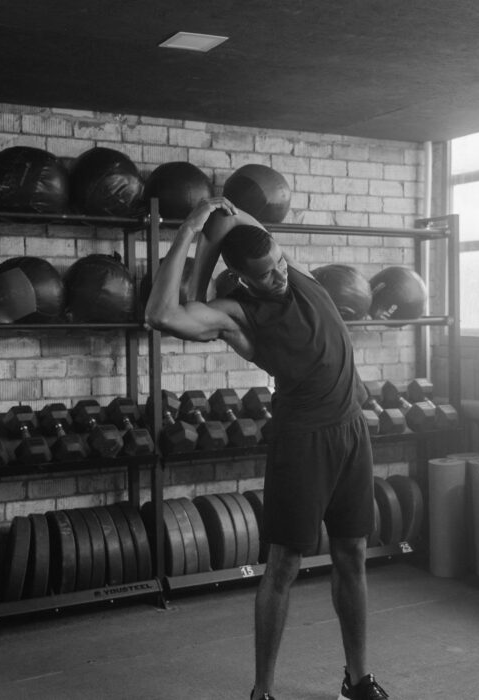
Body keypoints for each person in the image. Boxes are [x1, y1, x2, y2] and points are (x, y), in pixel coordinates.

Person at [145, 196, 389, 700]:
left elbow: (231, 218)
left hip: (351, 431)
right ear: (241, 277)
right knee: (284, 566)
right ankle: (263, 692)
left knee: (353, 554)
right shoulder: (239, 315)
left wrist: (216, 217)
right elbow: (160, 313)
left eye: (280, 262)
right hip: (303, 443)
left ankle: (358, 680)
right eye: (267, 273)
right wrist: (189, 230)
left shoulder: (294, 273)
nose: (280, 275)